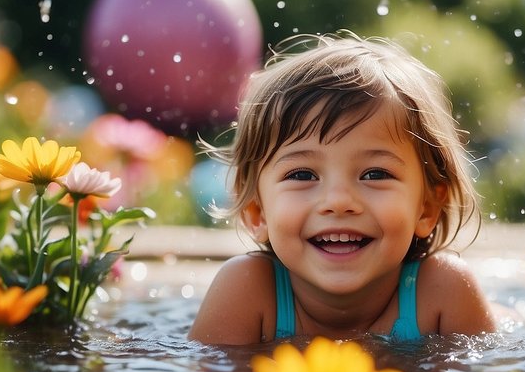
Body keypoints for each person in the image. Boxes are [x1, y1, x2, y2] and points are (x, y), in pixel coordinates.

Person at [189, 33, 496, 345]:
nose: (338, 202)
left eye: (375, 174)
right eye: (302, 175)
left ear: (426, 208)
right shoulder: (247, 290)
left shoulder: (442, 292)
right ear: (257, 212)